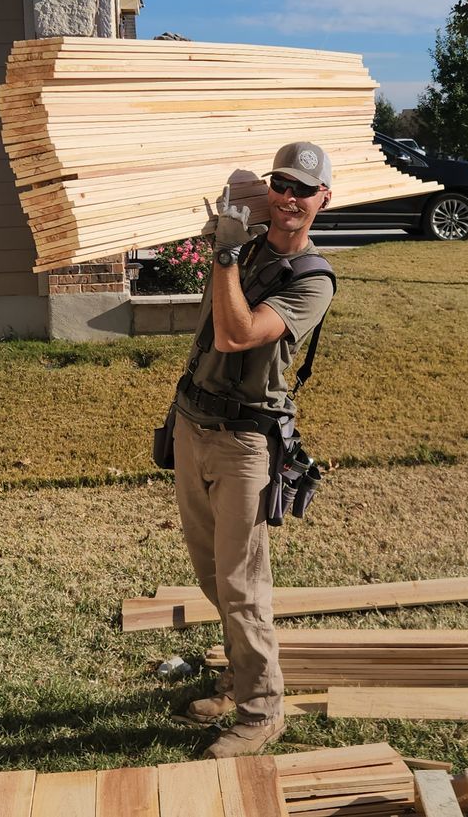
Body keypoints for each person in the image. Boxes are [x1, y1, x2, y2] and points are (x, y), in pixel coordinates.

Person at [170, 141, 337, 758]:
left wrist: (223, 256)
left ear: (324, 198)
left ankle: (263, 711)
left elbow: (235, 332)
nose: (289, 198)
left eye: (303, 189)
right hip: (193, 422)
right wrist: (225, 241)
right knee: (211, 570)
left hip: (245, 442)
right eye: (281, 185)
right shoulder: (254, 242)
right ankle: (237, 675)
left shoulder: (312, 280)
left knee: (243, 583)